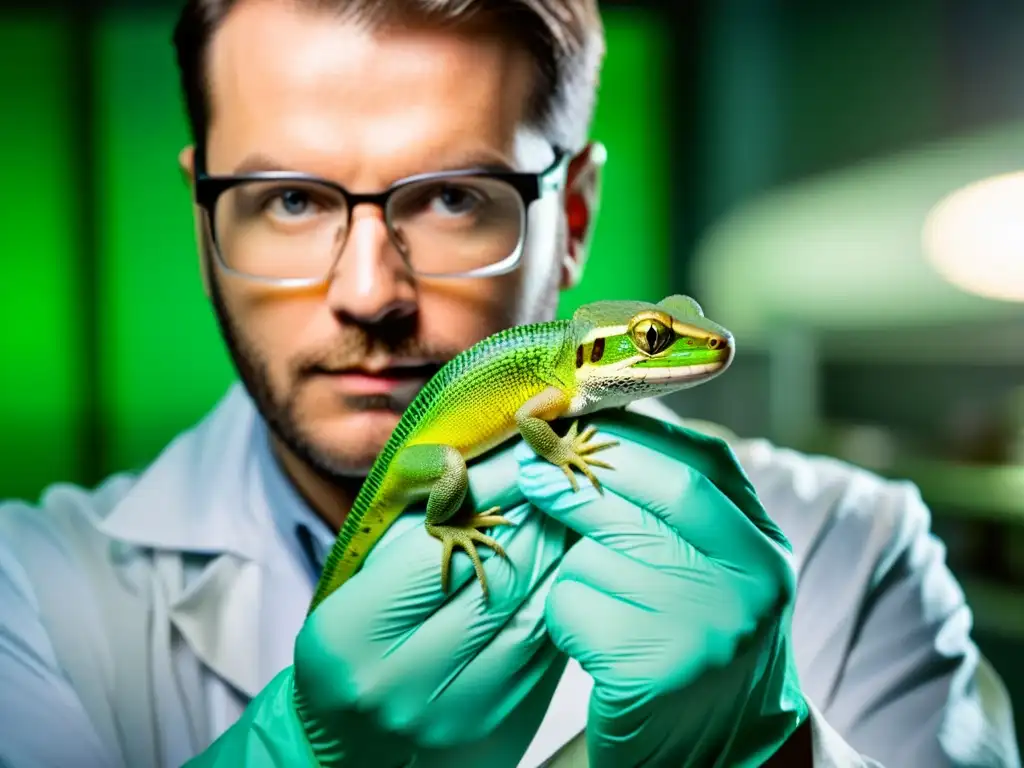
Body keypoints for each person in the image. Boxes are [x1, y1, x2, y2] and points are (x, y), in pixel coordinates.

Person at [0, 0, 1019, 765]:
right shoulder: (27, 586)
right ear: (202, 220)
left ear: (571, 220)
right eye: (290, 200)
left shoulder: (858, 543)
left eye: (453, 197)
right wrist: (291, 751)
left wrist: (780, 752)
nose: (370, 293)